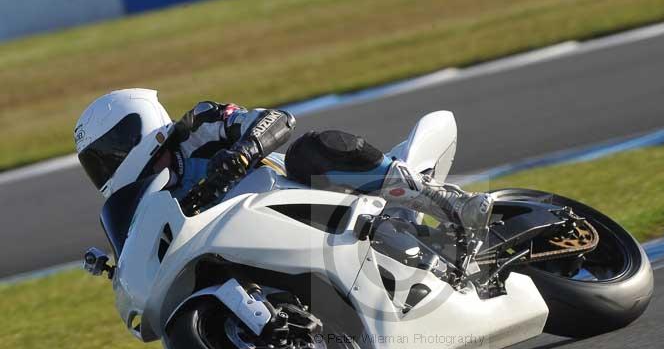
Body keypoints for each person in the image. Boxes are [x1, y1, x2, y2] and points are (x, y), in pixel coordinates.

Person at [74, 89, 494, 231]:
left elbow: (275, 119)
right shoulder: (142, 204)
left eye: (106, 155)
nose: (106, 168)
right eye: (98, 163)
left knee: (306, 150)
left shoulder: (197, 126)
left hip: (308, 197)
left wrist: (242, 153)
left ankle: (444, 201)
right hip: (255, 240)